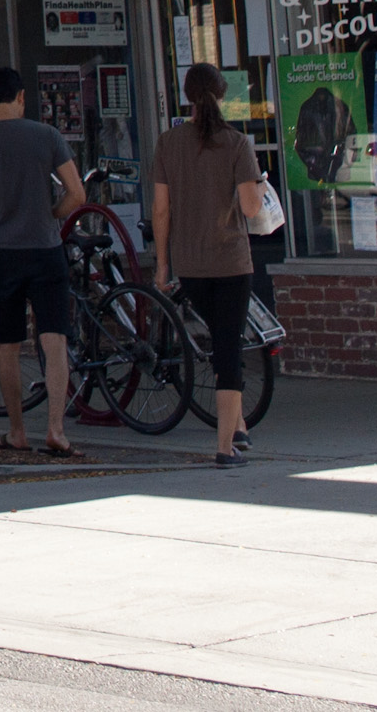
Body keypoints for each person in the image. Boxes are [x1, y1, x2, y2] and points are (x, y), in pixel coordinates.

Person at [0, 63, 91, 455]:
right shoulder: (47, 136)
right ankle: (57, 430)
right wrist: (52, 213)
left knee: (7, 345)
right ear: (23, 97)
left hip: (1, 253)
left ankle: (17, 431)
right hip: (45, 250)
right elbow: (77, 194)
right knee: (55, 341)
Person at [148, 62, 262, 465]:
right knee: (229, 349)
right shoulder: (237, 144)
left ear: (186, 95)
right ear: (222, 94)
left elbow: (161, 211)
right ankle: (224, 446)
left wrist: (163, 265)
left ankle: (240, 428)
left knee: (219, 338)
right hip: (230, 261)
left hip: (190, 264)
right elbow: (251, 208)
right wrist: (258, 184)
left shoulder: (167, 143)